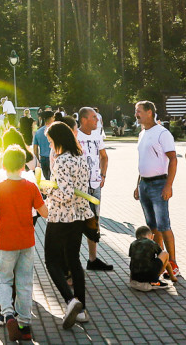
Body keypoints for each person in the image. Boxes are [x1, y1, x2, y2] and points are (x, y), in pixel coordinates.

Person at [0, 145, 48, 342]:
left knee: (3, 279)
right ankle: (24, 324)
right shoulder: (31, 187)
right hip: (27, 240)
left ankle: (7, 314)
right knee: (24, 281)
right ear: (23, 166)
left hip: (6, 241)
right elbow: (44, 212)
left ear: (4, 165)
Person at [42, 121, 92, 329]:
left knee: (51, 260)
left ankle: (70, 300)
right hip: (80, 216)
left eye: (51, 142)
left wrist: (47, 190)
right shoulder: (81, 158)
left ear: (58, 140)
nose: (50, 146)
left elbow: (65, 193)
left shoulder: (62, 161)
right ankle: (81, 308)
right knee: (73, 260)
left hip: (61, 216)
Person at [132, 100, 179, 281]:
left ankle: (173, 264)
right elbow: (142, 161)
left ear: (150, 112)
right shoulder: (142, 133)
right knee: (152, 226)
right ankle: (159, 261)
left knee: (163, 225)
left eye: (139, 111)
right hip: (144, 184)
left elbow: (173, 160)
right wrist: (138, 184)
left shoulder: (162, 133)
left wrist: (169, 185)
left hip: (159, 184)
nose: (136, 114)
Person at [75, 107, 112, 271]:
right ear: (83, 120)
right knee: (75, 223)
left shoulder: (98, 135)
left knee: (94, 222)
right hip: (79, 187)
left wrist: (103, 175)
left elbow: (104, 156)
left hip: (95, 185)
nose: (97, 120)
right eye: (93, 118)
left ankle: (92, 259)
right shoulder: (75, 135)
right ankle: (73, 261)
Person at [128, 225, 169, 292]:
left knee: (137, 259)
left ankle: (151, 280)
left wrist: (132, 279)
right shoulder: (152, 243)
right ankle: (155, 281)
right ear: (152, 236)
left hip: (135, 277)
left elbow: (133, 261)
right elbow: (161, 256)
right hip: (149, 276)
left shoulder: (133, 244)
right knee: (164, 253)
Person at [32, 110, 54, 180]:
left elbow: (35, 149)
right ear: (51, 118)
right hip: (53, 158)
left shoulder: (38, 132)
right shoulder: (54, 130)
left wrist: (37, 160)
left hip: (43, 159)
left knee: (46, 179)